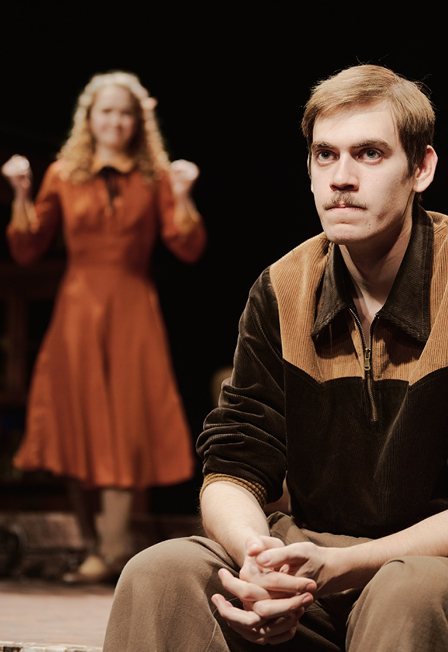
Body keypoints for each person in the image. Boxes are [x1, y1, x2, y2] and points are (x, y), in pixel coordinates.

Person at [102, 63, 448, 652]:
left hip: (424, 565)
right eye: (324, 155)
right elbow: (234, 458)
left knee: (407, 594)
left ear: (421, 169)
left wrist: (351, 565)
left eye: (369, 154)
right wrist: (257, 559)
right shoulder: (283, 288)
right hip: (310, 562)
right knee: (159, 574)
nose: (341, 179)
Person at [1, 71, 206, 583]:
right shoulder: (63, 174)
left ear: (138, 122)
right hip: (77, 312)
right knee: (76, 425)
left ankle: (112, 551)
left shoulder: (154, 177)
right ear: (89, 118)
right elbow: (26, 249)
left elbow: (187, 247)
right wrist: (20, 194)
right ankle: (94, 547)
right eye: (106, 112)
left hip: (132, 311)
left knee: (124, 425)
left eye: (125, 113)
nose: (115, 121)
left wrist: (183, 194)